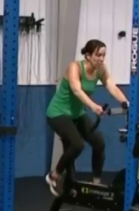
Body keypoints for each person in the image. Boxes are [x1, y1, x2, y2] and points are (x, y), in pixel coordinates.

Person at [44, 39, 129, 196]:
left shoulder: (101, 69)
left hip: (77, 114)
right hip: (58, 113)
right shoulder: (75, 67)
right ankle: (54, 175)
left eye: (104, 55)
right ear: (88, 56)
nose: (102, 59)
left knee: (99, 142)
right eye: (98, 55)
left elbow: (111, 86)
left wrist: (125, 102)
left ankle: (96, 183)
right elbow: (76, 90)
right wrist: (93, 106)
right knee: (77, 145)